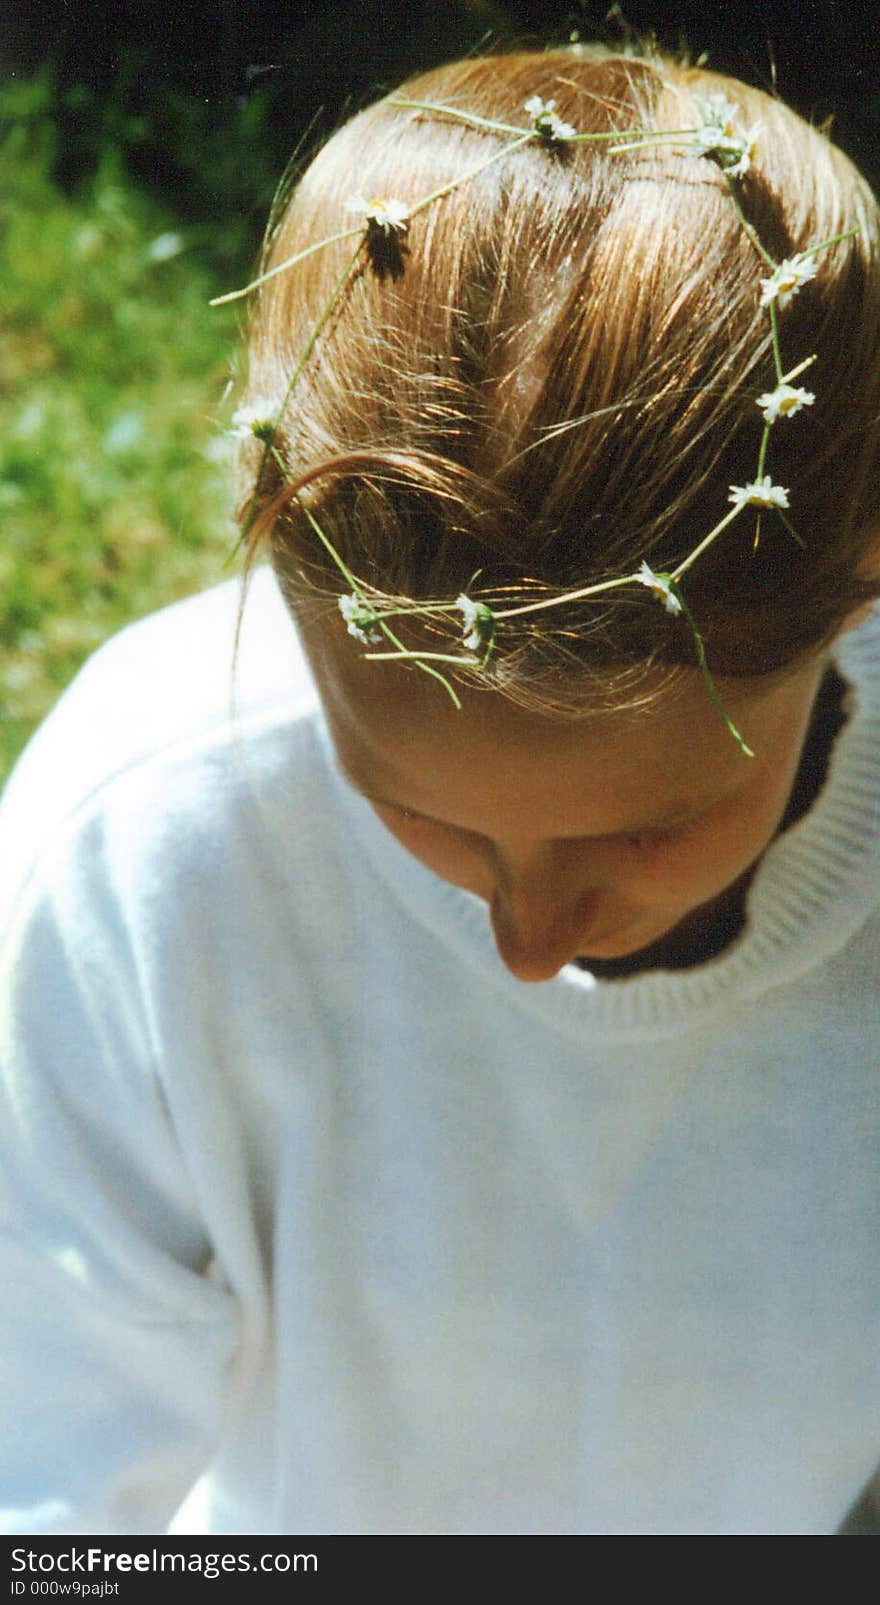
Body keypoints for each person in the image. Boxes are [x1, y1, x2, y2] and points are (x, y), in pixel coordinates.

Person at [2, 44, 880, 1537]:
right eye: (420, 815)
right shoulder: (148, 836)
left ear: (860, 579)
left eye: (643, 828)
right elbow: (47, 1480)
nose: (532, 939)